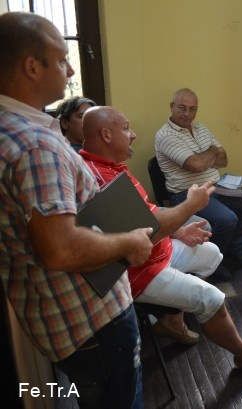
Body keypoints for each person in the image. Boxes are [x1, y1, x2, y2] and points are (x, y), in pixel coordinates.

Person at [0, 12, 154, 409]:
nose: (70, 70)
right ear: (32, 67)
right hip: (92, 325)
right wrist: (129, 243)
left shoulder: (15, 129)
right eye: (62, 59)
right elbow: (61, 249)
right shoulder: (36, 146)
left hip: (61, 321)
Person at [81, 105, 242, 368]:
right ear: (106, 135)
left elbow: (144, 215)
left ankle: (172, 317)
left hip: (159, 250)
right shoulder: (96, 177)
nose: (133, 135)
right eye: (126, 128)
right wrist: (190, 205)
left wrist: (179, 231)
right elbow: (143, 230)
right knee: (212, 299)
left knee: (212, 254)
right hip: (137, 270)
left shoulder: (112, 167)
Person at [155, 88, 242, 270]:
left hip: (217, 185)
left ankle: (234, 250)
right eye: (182, 108)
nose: (187, 114)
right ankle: (214, 265)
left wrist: (206, 157)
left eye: (192, 109)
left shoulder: (201, 128)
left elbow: (223, 160)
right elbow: (196, 165)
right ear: (171, 106)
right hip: (188, 193)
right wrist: (213, 151)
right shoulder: (165, 136)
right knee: (227, 219)